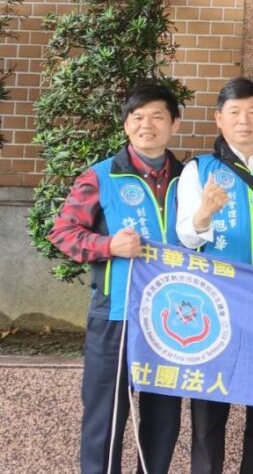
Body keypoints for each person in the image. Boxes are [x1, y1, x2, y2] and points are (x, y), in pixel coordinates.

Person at [49, 82, 186, 474]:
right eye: (138, 117)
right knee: (105, 418)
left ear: (174, 124)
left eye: (158, 116)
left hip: (171, 317)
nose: (147, 125)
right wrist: (108, 245)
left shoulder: (188, 178)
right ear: (126, 125)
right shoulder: (101, 176)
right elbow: (63, 232)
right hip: (116, 314)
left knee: (164, 420)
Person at [174, 77, 253, 474]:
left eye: (252, 112)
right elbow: (185, 236)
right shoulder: (199, 169)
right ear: (219, 119)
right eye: (234, 112)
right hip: (218, 301)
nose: (243, 121)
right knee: (210, 406)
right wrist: (204, 213)